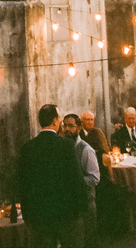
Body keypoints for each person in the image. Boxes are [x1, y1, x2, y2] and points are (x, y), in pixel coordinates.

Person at [17, 103, 87, 248]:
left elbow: (22, 182)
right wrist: (81, 208)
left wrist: (27, 213)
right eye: (59, 119)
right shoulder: (66, 146)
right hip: (64, 212)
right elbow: (75, 178)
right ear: (55, 121)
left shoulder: (28, 147)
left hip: (38, 213)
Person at [62, 114, 100, 248]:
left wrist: (75, 181)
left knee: (87, 239)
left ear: (78, 128)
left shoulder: (86, 150)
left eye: (70, 126)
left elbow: (94, 178)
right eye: (64, 125)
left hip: (85, 203)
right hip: (69, 204)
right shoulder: (62, 147)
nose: (66, 129)